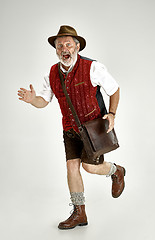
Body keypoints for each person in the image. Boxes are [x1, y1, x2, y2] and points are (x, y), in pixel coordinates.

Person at [17, 25, 126, 230]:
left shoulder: (93, 67)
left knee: (90, 167)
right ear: (56, 50)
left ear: (77, 47)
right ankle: (79, 212)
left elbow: (114, 89)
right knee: (71, 167)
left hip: (93, 128)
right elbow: (44, 101)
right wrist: (33, 100)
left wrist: (112, 114)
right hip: (69, 129)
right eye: (59, 46)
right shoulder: (52, 73)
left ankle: (116, 170)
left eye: (68, 44)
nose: (63, 48)